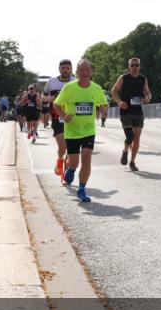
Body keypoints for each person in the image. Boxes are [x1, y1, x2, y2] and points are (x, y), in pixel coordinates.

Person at [53, 59, 108, 203]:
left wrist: (103, 110)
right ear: (76, 72)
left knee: (86, 156)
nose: (84, 73)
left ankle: (82, 188)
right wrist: (64, 116)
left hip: (89, 129)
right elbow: (56, 104)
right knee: (74, 162)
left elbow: (104, 105)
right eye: (81, 70)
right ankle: (70, 170)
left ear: (91, 72)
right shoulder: (69, 88)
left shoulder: (97, 88)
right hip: (72, 130)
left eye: (87, 70)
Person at [111, 57, 152, 171]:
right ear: (129, 67)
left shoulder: (143, 79)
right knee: (130, 136)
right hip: (126, 112)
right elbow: (114, 91)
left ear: (140, 67)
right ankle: (125, 151)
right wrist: (119, 102)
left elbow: (148, 93)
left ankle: (132, 162)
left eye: (136, 65)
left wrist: (148, 98)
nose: (134, 67)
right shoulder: (123, 78)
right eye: (132, 65)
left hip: (138, 112)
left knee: (137, 139)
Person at [44, 60, 75, 181]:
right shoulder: (51, 82)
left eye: (68, 68)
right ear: (59, 69)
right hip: (57, 118)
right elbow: (43, 96)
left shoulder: (75, 82)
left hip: (72, 118)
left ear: (71, 69)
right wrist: (49, 99)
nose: (65, 70)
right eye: (63, 68)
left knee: (71, 148)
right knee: (63, 147)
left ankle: (65, 173)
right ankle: (60, 160)